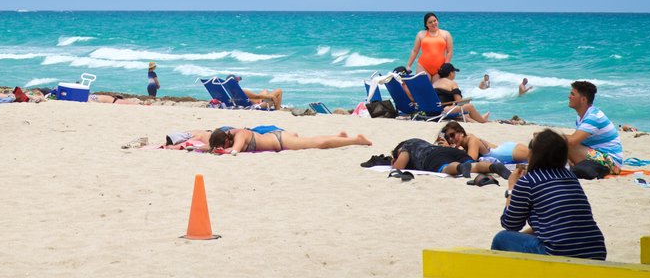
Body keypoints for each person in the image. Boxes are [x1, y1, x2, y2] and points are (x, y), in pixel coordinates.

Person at [492, 129, 606, 260]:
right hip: (596, 251)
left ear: (532, 154)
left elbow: (510, 225)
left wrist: (512, 188)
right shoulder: (570, 177)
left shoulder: (529, 181)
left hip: (559, 253)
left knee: (501, 239)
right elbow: (559, 223)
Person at [566, 80, 623, 179]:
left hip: (611, 162)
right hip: (597, 153)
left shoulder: (593, 117)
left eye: (572, 94)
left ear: (583, 100)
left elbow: (572, 142)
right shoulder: (581, 116)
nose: (569, 96)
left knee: (564, 144)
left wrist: (548, 136)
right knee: (558, 144)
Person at [391, 138, 512, 178]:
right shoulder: (419, 141)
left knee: (447, 167)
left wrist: (394, 162)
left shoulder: (406, 146)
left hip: (432, 157)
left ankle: (459, 167)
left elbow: (398, 168)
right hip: (448, 150)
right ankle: (492, 166)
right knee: (473, 165)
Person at [209, 127, 371, 155]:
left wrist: (224, 151)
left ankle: (356, 140)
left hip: (280, 140)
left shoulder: (240, 135)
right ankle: (339, 137)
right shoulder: (231, 136)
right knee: (312, 140)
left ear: (226, 140)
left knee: (318, 144)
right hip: (278, 138)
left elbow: (235, 150)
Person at [440, 121, 530, 163]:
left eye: (452, 135)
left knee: (539, 158)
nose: (451, 139)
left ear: (461, 133)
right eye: (448, 138)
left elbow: (470, 160)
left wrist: (450, 150)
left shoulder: (472, 140)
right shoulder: (466, 143)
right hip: (506, 149)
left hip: (510, 152)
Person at [406, 12, 453, 76]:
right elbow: (415, 51)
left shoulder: (446, 34)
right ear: (426, 24)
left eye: (435, 21)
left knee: (437, 86)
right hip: (423, 67)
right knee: (423, 86)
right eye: (430, 22)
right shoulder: (421, 34)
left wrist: (446, 66)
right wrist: (408, 66)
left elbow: (449, 51)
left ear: (437, 21)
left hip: (440, 68)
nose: (433, 23)